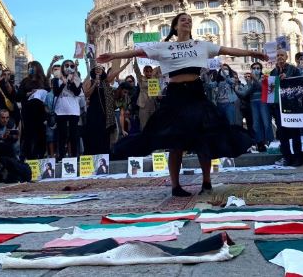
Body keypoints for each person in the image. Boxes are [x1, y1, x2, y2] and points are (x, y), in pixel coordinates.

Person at [97, 13, 267, 196]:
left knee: (204, 138)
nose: (187, 21)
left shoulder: (201, 45)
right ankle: (176, 186)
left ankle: (206, 183)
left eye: (189, 20)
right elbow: (137, 52)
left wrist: (252, 53)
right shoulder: (165, 47)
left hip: (195, 92)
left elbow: (227, 50)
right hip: (175, 95)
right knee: (175, 141)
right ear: (175, 26)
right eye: (183, 20)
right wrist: (114, 55)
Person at [82, 61, 129, 155]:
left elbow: (116, 72)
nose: (98, 70)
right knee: (93, 133)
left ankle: (104, 153)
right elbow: (87, 94)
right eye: (96, 69)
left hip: (105, 112)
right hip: (93, 111)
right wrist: (95, 83)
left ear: (103, 71)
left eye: (100, 69)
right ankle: (92, 153)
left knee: (104, 134)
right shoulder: (89, 82)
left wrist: (127, 63)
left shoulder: (106, 81)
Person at [271, 49, 303, 166]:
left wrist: (287, 77)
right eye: (278, 55)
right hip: (279, 107)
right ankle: (287, 157)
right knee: (282, 134)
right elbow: (271, 89)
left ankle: (298, 158)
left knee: (295, 133)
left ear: (286, 57)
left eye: (282, 55)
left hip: (292, 106)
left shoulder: (293, 69)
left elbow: (300, 83)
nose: (279, 57)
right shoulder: (273, 71)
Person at [17, 61, 50, 159]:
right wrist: (28, 94)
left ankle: (40, 154)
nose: (30, 69)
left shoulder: (43, 80)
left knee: (40, 133)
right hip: (28, 110)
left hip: (40, 110)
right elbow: (18, 96)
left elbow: (48, 93)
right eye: (29, 67)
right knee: (28, 133)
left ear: (38, 68)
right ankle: (28, 155)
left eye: (32, 67)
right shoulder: (25, 81)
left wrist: (41, 93)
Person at [237, 62, 273, 151]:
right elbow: (246, 93)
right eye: (254, 68)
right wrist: (237, 89)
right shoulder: (250, 81)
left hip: (263, 102)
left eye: (258, 68)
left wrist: (256, 80)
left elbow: (264, 88)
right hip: (253, 103)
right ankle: (260, 143)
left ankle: (270, 142)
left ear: (261, 69)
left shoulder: (264, 77)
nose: (256, 69)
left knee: (266, 123)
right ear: (251, 70)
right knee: (256, 125)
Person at [52, 59, 83, 158]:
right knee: (62, 135)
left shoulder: (77, 79)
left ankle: (74, 156)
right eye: (66, 65)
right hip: (61, 111)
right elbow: (56, 92)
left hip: (73, 111)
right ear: (62, 67)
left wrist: (71, 82)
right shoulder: (57, 79)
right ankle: (61, 156)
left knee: (74, 135)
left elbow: (77, 93)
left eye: (72, 66)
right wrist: (63, 83)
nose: (69, 68)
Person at [0, 109, 22, 182]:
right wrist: (2, 136)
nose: (5, 120)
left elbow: (15, 138)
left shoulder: (11, 123)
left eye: (7, 117)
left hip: (7, 146)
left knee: (14, 146)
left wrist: (10, 136)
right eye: (3, 118)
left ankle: (16, 164)